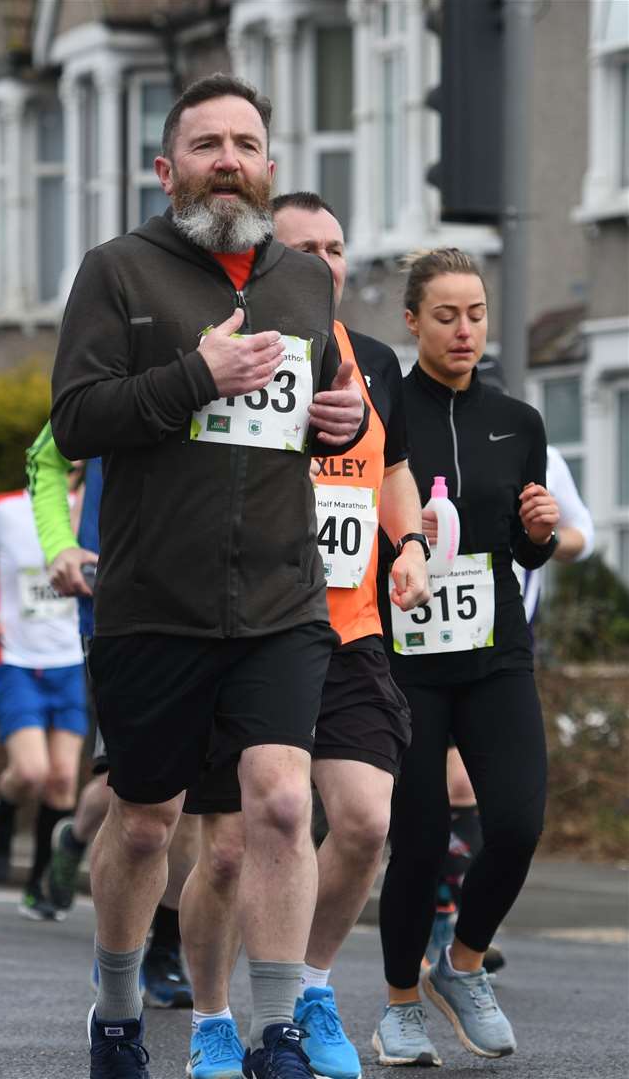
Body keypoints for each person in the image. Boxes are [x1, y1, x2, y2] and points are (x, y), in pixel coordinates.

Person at [50, 73, 366, 1079]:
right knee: (146, 825)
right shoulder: (119, 273)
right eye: (205, 145)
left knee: (279, 804)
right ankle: (114, 1013)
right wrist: (196, 378)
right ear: (167, 167)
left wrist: (342, 424)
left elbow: (309, 419)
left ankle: (275, 1033)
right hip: (155, 601)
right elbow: (76, 420)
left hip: (281, 594)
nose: (227, 159)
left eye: (244, 143)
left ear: (268, 166)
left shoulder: (303, 282)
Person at [177, 191, 429, 1079]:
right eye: (303, 247)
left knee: (362, 823)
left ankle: (311, 986)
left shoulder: (375, 363)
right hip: (245, 625)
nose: (324, 262)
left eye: (334, 245)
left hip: (348, 626)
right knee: (229, 847)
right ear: (264, 260)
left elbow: (391, 471)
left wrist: (413, 547)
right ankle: (212, 1016)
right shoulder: (233, 348)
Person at [372, 249, 558, 1067]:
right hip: (404, 659)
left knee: (514, 827)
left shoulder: (516, 421)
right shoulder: (386, 413)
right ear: (411, 321)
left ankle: (464, 965)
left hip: (493, 653)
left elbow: (522, 547)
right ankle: (400, 1005)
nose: (463, 331)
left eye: (475, 314)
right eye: (445, 316)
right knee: (414, 842)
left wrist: (539, 530)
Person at [27, 428, 196, 1007]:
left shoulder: (259, 359)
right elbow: (44, 458)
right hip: (119, 612)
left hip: (219, 612)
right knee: (127, 800)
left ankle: (166, 951)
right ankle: (79, 853)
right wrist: (60, 544)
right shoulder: (117, 356)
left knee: (193, 798)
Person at [428, 443, 594, 974]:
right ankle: (432, 907)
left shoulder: (535, 450)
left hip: (503, 639)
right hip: (421, 632)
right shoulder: (418, 434)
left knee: (471, 790)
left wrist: (540, 537)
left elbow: (582, 535)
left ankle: (449, 919)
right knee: (420, 795)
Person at [0, 483, 88, 920]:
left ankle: (40, 886)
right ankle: (4, 807)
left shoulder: (94, 512)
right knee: (32, 772)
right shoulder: (2, 509)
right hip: (15, 657)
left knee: (62, 781)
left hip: (70, 659)